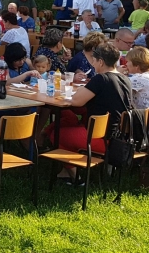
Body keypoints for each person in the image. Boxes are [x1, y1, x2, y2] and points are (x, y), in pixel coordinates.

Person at [56, 42, 133, 179]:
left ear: (101, 62)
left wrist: (80, 90)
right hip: (119, 137)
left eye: (94, 60)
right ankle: (68, 169)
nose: (93, 63)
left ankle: (73, 174)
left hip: (100, 139)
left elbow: (76, 101)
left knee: (56, 133)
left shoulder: (101, 78)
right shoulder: (125, 79)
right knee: (66, 121)